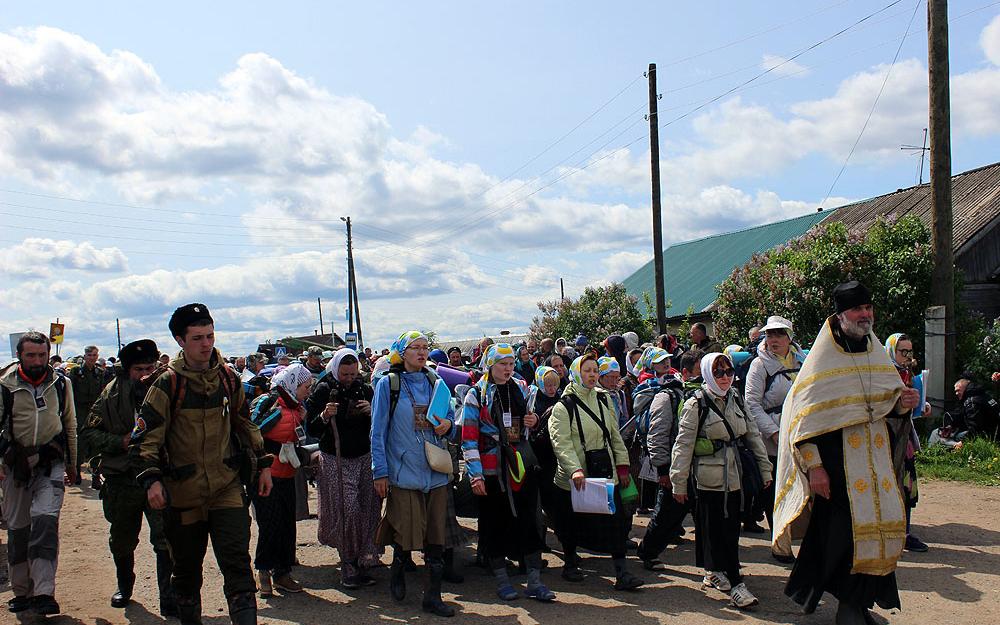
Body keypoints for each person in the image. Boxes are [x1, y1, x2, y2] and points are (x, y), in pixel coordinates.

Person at [774, 281, 920, 625]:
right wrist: (815, 469)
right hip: (837, 470)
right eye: (858, 309)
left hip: (876, 467)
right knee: (842, 540)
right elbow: (802, 423)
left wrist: (901, 405)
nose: (865, 315)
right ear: (840, 316)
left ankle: (859, 602)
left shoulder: (874, 354)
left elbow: (886, 406)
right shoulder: (821, 363)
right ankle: (848, 608)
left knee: (878, 533)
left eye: (868, 308)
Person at [134, 303, 273, 625]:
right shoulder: (166, 385)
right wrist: (152, 479)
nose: (206, 344)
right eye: (197, 338)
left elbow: (245, 423)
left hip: (226, 488)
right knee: (185, 571)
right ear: (180, 341)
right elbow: (147, 438)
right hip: (183, 494)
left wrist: (263, 464)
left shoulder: (228, 378)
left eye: (210, 336)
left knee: (238, 564)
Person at [80, 339, 175, 615]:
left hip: (159, 476)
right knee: (122, 539)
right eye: (138, 369)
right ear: (126, 370)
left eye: (150, 367)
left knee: (165, 539)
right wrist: (119, 442)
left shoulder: (168, 390)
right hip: (122, 479)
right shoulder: (110, 395)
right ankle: (125, 586)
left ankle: (168, 597)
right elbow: (88, 434)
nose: (145, 374)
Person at [670, 353, 771, 609]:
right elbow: (683, 446)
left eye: (728, 371)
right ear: (706, 374)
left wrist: (765, 469)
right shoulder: (697, 404)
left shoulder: (736, 398)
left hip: (736, 476)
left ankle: (717, 570)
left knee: (730, 529)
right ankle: (736, 583)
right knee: (716, 530)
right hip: (709, 479)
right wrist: (678, 483)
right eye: (718, 373)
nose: (725, 377)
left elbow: (753, 434)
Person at [370, 331, 457, 617]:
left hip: (435, 470)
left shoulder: (436, 382)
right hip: (404, 470)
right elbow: (378, 431)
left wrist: (447, 425)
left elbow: (450, 416)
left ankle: (432, 596)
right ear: (402, 353)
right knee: (406, 529)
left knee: (435, 535)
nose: (421, 353)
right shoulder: (388, 385)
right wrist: (379, 471)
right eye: (415, 348)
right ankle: (398, 568)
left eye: (424, 348)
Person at [462, 344, 555, 602]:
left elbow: (529, 423)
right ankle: (502, 580)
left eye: (511, 363)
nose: (508, 368)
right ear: (490, 365)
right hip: (492, 470)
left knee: (529, 521)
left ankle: (534, 581)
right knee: (495, 524)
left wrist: (533, 421)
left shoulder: (522, 387)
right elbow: (468, 438)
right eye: (502, 364)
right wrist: (476, 475)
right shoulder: (476, 395)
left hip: (521, 465)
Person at [548, 354, 644, 591]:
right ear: (575, 373)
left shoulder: (603, 399)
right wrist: (574, 470)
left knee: (616, 521)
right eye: (587, 370)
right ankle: (570, 562)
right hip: (575, 477)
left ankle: (622, 573)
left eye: (594, 370)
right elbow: (561, 443)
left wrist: (622, 467)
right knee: (571, 523)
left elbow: (614, 435)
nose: (592, 375)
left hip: (604, 472)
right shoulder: (563, 406)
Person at [0, 332, 77, 616]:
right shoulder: (4, 386)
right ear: (20, 355)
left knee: (45, 524)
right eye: (30, 355)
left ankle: (45, 592)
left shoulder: (61, 385)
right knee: (19, 530)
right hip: (14, 468)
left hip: (50, 465)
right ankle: (22, 591)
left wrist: (72, 464)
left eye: (42, 355)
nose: (37, 360)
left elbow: (69, 424)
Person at [305, 348, 381, 589]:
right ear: (335, 369)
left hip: (364, 456)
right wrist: (325, 415)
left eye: (352, 373)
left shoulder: (365, 389)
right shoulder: (324, 389)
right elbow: (312, 429)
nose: (348, 378)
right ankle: (347, 560)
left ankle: (365, 559)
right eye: (344, 373)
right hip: (336, 458)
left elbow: (379, 424)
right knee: (348, 509)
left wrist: (371, 411)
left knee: (369, 507)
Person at [743, 315, 806, 557]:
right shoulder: (759, 365)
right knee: (775, 492)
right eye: (769, 334)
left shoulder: (803, 361)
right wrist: (774, 432)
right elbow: (752, 404)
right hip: (771, 439)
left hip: (800, 434)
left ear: (790, 337)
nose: (773, 339)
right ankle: (780, 544)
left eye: (779, 334)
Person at [250, 364, 311, 597]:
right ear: (293, 385)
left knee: (287, 523)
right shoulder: (269, 402)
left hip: (287, 474)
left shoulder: (296, 407)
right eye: (306, 386)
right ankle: (263, 570)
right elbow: (252, 432)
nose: (308, 390)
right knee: (270, 524)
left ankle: (283, 573)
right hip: (266, 475)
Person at [884, 333, 929, 553]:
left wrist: (922, 405)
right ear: (892, 350)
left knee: (908, 484)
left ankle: (905, 532)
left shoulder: (907, 373)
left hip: (905, 436)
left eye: (910, 351)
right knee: (888, 485)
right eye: (903, 351)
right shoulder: (883, 373)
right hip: (886, 437)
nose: (907, 356)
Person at [70, 344, 105, 487]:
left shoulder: (99, 372)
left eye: (94, 355)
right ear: (85, 356)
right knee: (79, 444)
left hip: (94, 412)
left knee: (96, 444)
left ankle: (96, 476)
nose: (92, 358)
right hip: (79, 411)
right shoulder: (76, 371)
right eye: (89, 355)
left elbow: (102, 394)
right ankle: (76, 472)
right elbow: (70, 392)